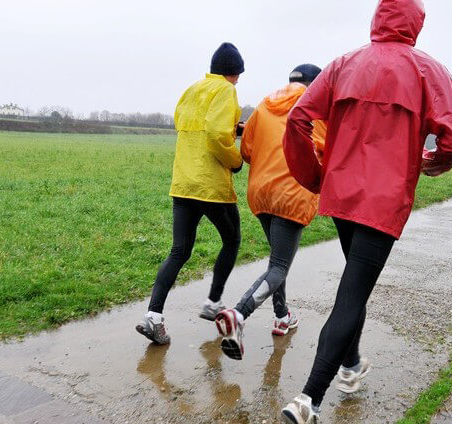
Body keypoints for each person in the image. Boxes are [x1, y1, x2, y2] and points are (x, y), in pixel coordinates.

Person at [278, 1, 452, 424]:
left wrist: (315, 175)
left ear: (377, 20)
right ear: (415, 25)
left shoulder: (344, 63)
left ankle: (350, 366)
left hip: (343, 192)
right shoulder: (428, 70)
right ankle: (309, 399)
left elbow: (298, 118)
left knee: (356, 283)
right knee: (352, 293)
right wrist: (435, 161)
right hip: (382, 202)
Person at [215, 64, 327, 360]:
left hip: (261, 192)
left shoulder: (266, 104)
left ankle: (282, 316)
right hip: (292, 192)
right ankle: (238, 315)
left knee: (278, 260)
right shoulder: (315, 109)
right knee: (279, 266)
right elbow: (327, 150)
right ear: (316, 84)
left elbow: (248, 150)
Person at [136, 42, 246, 345]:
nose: (238, 81)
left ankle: (153, 316)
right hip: (210, 185)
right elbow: (213, 133)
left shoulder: (192, 89)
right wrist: (236, 161)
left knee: (180, 250)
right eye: (238, 76)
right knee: (233, 239)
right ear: (233, 73)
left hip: (183, 181)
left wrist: (233, 128)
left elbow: (194, 125)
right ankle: (213, 303)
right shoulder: (225, 90)